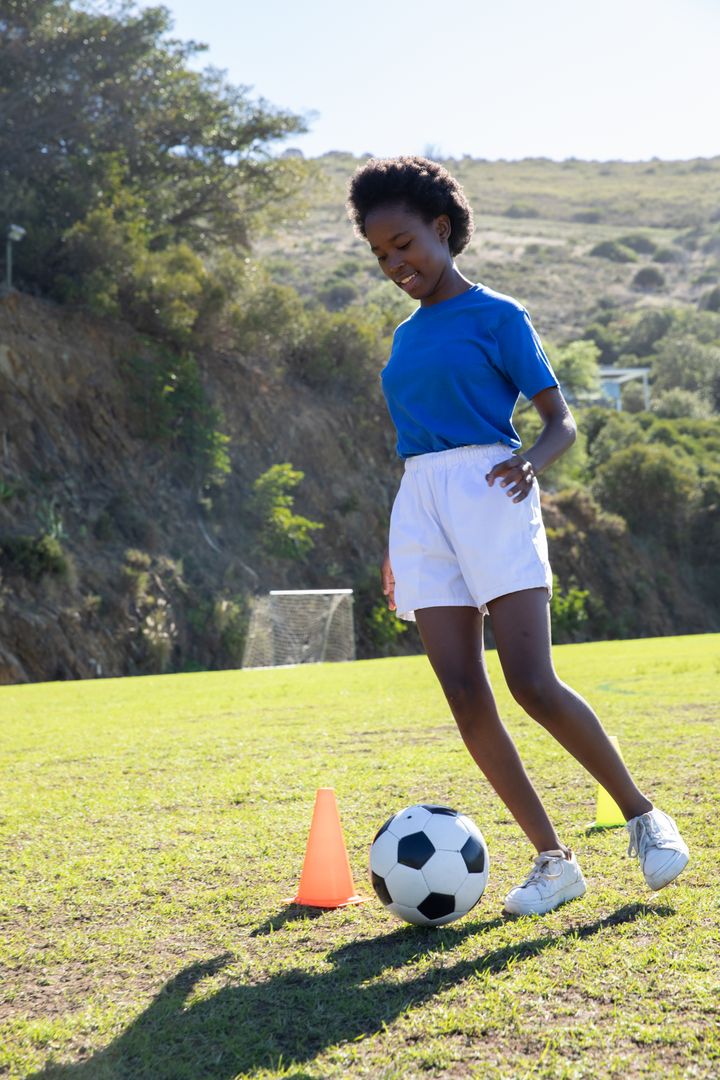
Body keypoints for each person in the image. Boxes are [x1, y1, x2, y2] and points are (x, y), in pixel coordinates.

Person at [345, 156, 689, 916]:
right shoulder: (403, 339)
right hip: (421, 504)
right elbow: (413, 448)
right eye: (380, 255)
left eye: (403, 244)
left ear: (441, 229)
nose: (394, 263)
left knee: (530, 681)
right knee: (464, 693)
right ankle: (553, 861)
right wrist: (399, 544)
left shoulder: (499, 315)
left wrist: (532, 463)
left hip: (493, 490)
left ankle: (643, 816)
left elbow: (560, 420)